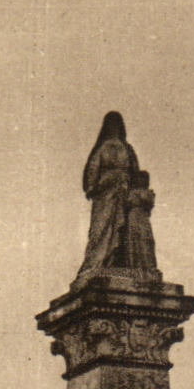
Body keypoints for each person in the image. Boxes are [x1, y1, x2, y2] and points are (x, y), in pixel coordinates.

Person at [80, 111, 139, 274]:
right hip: (106, 193)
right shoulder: (105, 148)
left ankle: (114, 261)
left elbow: (136, 173)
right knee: (101, 228)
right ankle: (96, 262)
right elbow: (92, 170)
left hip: (122, 192)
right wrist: (93, 187)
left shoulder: (126, 148)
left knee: (120, 228)